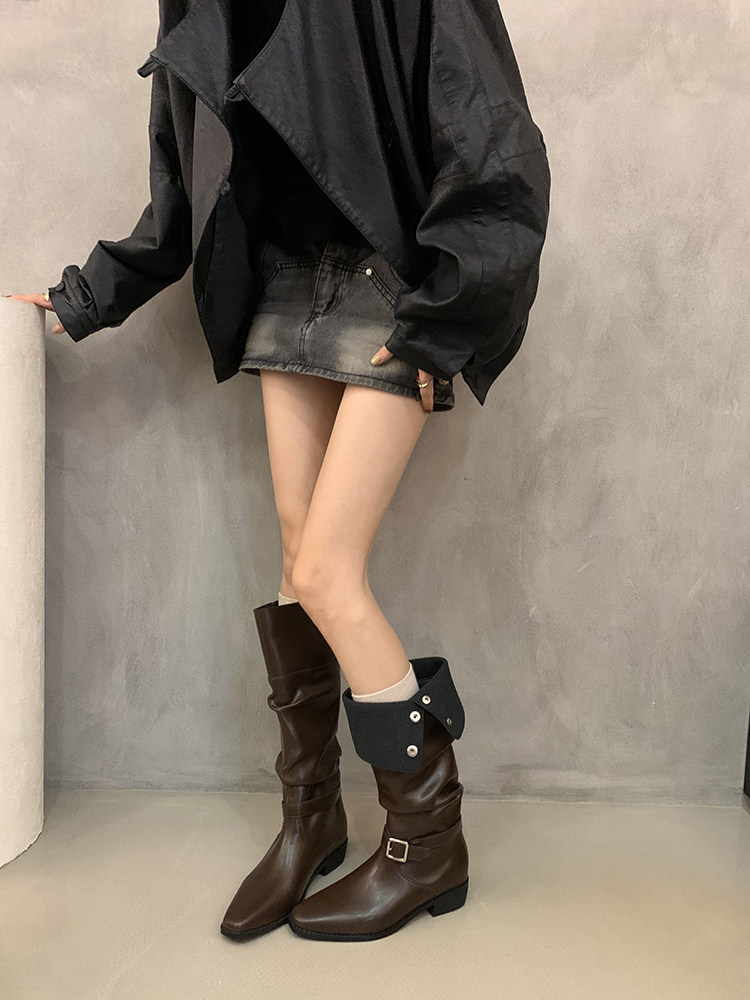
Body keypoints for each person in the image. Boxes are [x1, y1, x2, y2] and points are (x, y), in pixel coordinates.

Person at [5, 0, 550, 942]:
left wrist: (447, 318)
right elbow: (181, 177)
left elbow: (491, 137)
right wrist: (85, 295)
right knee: (299, 562)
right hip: (285, 282)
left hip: (395, 287)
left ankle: (428, 842)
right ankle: (312, 819)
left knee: (331, 572)